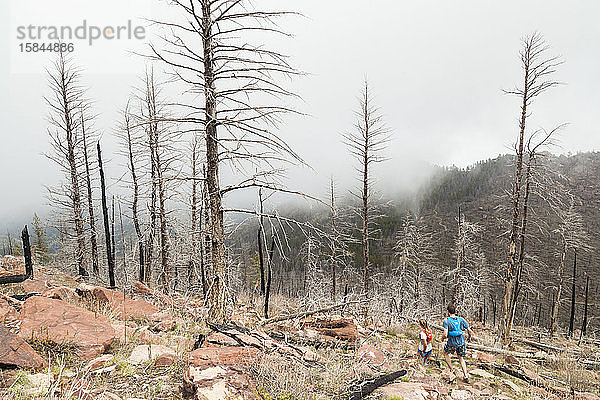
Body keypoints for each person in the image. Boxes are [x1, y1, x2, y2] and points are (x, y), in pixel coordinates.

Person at [442, 303, 473, 383]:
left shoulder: (446, 321)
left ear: (448, 311)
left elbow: (445, 334)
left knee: (445, 353)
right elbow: (469, 330)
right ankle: (466, 376)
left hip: (451, 342)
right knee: (461, 358)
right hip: (461, 342)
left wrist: (442, 338)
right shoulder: (461, 319)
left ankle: (452, 370)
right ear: (455, 311)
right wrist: (469, 338)